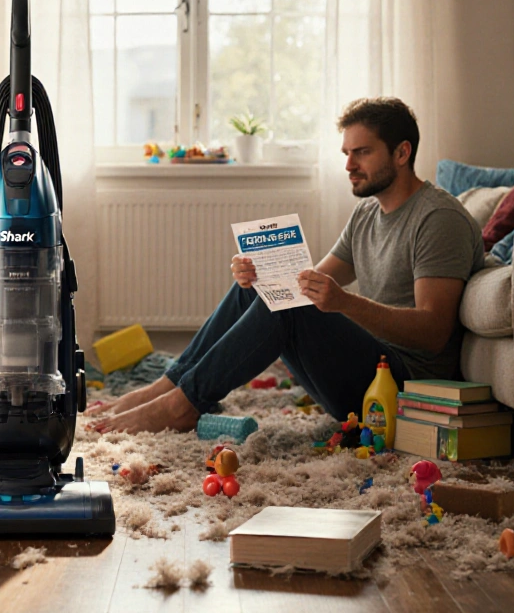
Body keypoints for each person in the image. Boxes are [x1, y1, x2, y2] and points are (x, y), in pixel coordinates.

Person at [90, 97, 485, 434]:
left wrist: (345, 303)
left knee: (290, 308)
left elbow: (434, 332)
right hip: (365, 374)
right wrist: (260, 276)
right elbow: (307, 283)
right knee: (267, 291)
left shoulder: (438, 219)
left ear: (402, 153)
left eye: (362, 152)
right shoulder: (367, 213)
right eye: (346, 153)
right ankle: (168, 386)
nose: (349, 164)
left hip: (401, 392)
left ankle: (182, 405)